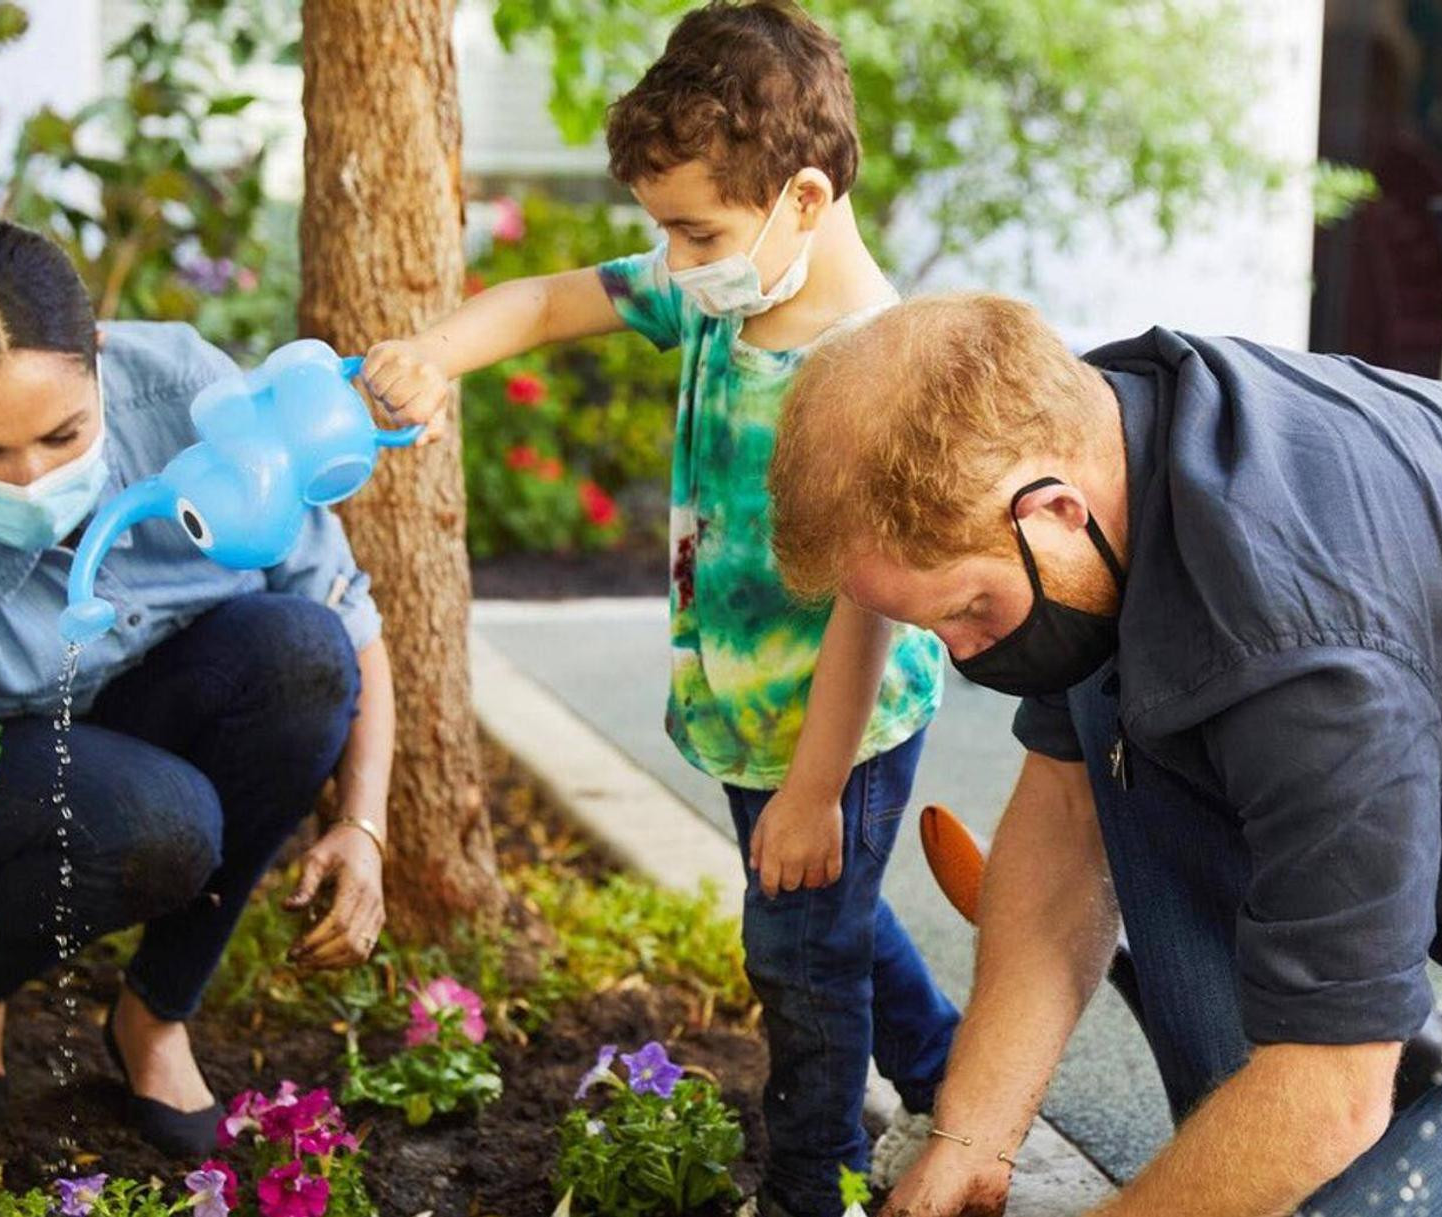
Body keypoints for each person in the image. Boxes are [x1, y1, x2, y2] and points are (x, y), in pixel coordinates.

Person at [767, 292, 1442, 1216]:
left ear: (1053, 509)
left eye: (968, 610)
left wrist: (1318, 1095)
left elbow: (1332, 1090)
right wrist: (970, 1136)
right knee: (1117, 702)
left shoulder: (1302, 641)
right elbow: (1066, 815)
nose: (964, 652)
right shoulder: (1109, 439)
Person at [357, 3, 957, 1210]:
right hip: (745, 713)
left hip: (837, 729)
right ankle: (953, 1072)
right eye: (665, 232)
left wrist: (813, 789)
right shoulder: (720, 290)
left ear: (802, 197)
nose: (674, 259)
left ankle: (816, 1182)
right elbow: (539, 304)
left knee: (796, 955)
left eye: (694, 232)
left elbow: (869, 607)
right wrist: (430, 353)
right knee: (820, 916)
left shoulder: (871, 367)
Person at [0, 221, 396, 1217]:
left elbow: (346, 614)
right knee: (157, 820)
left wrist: (363, 825)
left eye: (62, 436)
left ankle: (155, 1010)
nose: (30, 481)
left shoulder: (189, 397)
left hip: (157, 702)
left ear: (98, 353)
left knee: (301, 653)